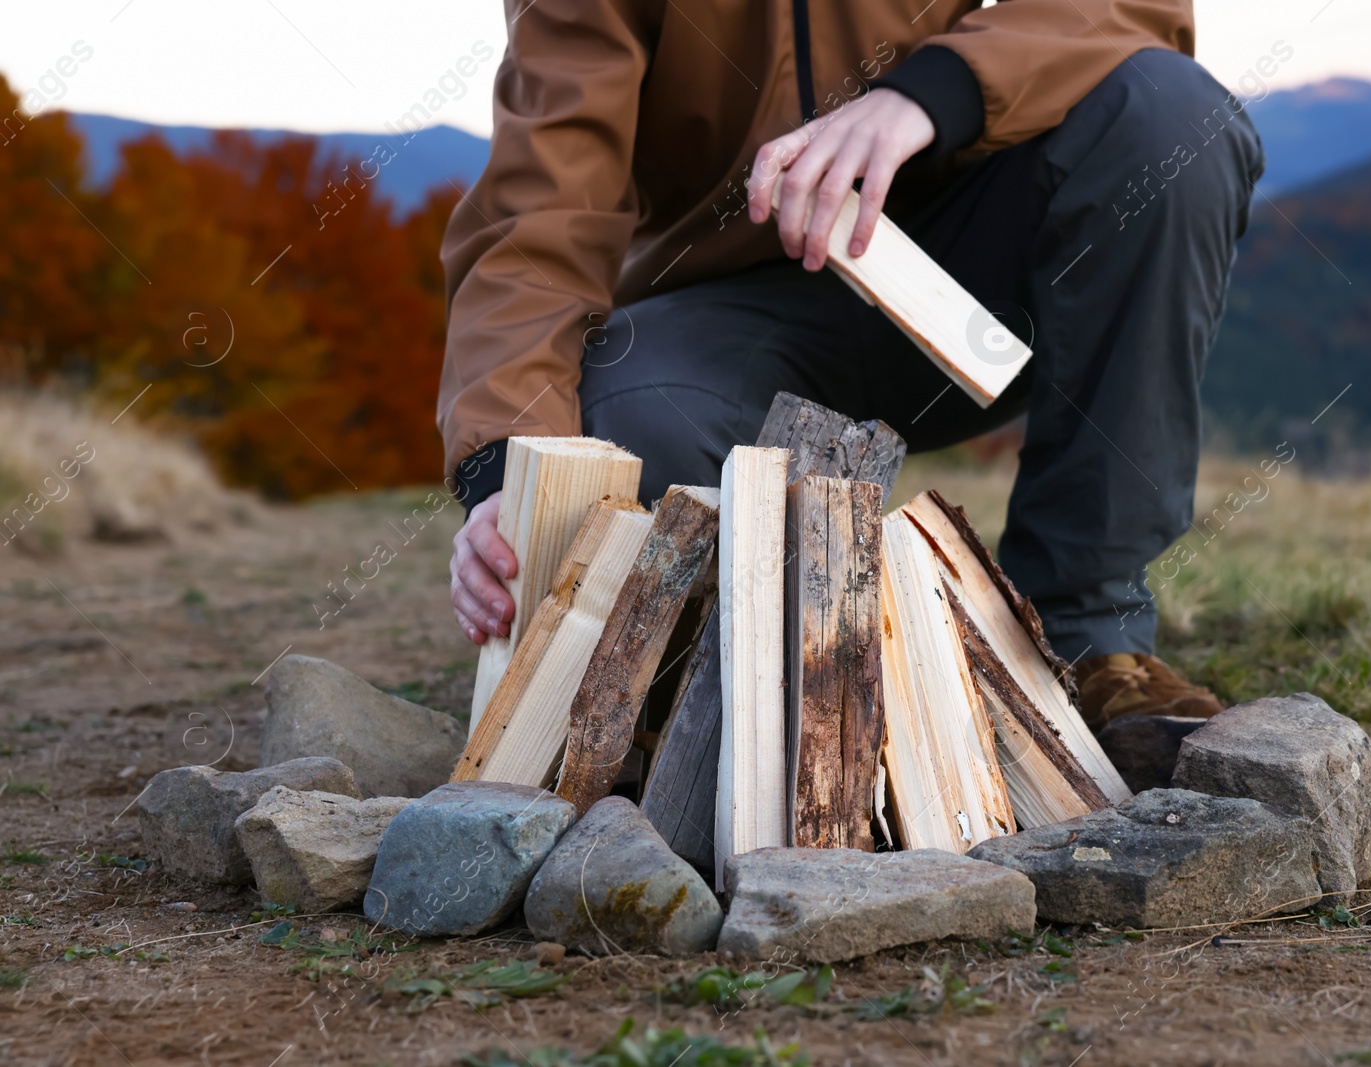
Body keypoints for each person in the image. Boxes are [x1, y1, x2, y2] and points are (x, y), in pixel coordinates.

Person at [440, 0, 1263, 728]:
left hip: (969, 286)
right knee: (637, 411)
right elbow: (540, 212)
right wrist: (508, 471)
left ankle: (1090, 641)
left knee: (1172, 119)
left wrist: (931, 93)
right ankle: (740, 704)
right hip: (730, 323)